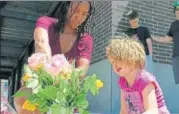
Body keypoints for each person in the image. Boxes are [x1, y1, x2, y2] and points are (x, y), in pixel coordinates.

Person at [14, 1, 95, 114]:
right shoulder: (46, 23)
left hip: (64, 91)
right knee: (23, 98)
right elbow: (41, 43)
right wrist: (52, 69)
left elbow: (83, 69)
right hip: (39, 85)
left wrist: (65, 76)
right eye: (76, 10)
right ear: (67, 6)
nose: (79, 17)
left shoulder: (86, 39)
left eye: (84, 14)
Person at [106, 37, 170, 114]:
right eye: (113, 62)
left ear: (132, 59)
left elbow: (152, 110)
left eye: (118, 60)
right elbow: (124, 111)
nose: (115, 65)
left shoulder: (144, 79)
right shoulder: (122, 82)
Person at [152, 1, 179, 84]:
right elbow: (167, 39)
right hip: (176, 57)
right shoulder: (173, 25)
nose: (178, 11)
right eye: (177, 9)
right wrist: (152, 37)